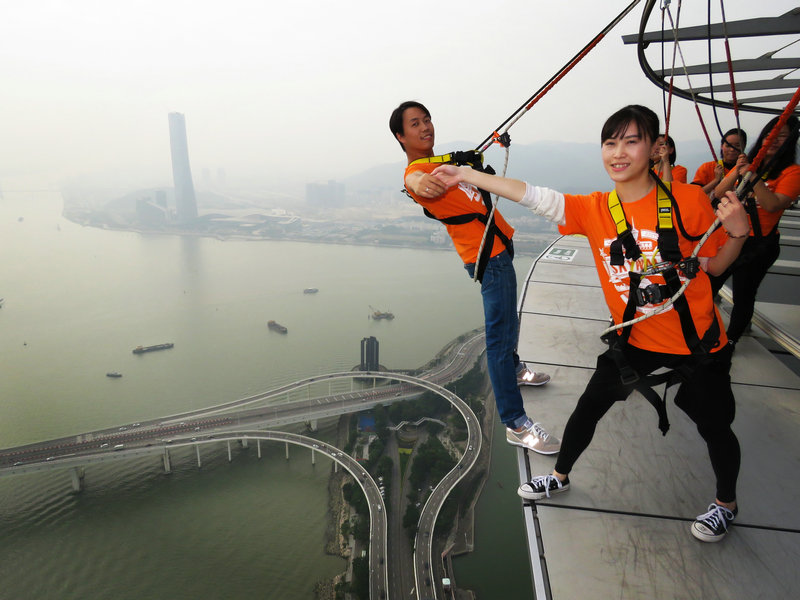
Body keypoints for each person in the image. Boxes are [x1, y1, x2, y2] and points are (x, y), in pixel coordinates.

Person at [430, 105, 751, 542]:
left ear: (654, 147)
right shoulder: (596, 209)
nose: (618, 153)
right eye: (610, 143)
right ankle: (560, 477)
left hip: (697, 342)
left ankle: (725, 505)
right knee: (588, 408)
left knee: (715, 427)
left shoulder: (688, 201)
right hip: (636, 339)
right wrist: (466, 176)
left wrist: (738, 233)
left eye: (630, 141)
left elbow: (712, 268)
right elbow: (533, 195)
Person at [388, 100, 560, 456]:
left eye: (427, 120)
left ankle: (514, 369)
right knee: (498, 340)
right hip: (487, 257)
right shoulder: (418, 171)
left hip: (500, 245)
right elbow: (414, 180)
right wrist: (422, 182)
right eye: (415, 124)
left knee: (509, 322)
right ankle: (515, 423)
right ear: (400, 136)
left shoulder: (445, 163)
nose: (425, 127)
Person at [709, 116, 800, 346]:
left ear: (791, 140)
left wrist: (753, 176)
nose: (775, 140)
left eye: (782, 136)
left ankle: (730, 341)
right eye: (772, 134)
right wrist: (737, 171)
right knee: (709, 284)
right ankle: (704, 333)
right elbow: (720, 193)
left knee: (743, 294)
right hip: (731, 239)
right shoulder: (751, 163)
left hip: (758, 244)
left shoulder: (792, 173)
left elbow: (771, 204)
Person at [692, 128, 748, 197]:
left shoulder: (750, 168)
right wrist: (716, 180)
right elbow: (693, 193)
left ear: (744, 146)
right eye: (728, 146)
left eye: (737, 145)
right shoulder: (707, 167)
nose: (732, 149)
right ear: (722, 146)